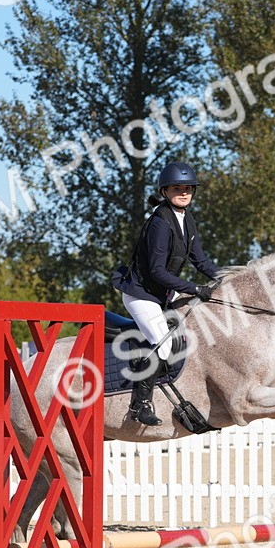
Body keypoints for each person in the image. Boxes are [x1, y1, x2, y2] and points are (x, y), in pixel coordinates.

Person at [112, 161, 221, 425]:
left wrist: (227, 280)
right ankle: (140, 405)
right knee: (164, 342)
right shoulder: (160, 223)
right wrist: (195, 288)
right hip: (142, 294)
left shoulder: (187, 220)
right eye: (177, 188)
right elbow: (158, 272)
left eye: (188, 188)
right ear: (165, 191)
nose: (183, 192)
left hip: (162, 293)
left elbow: (201, 262)